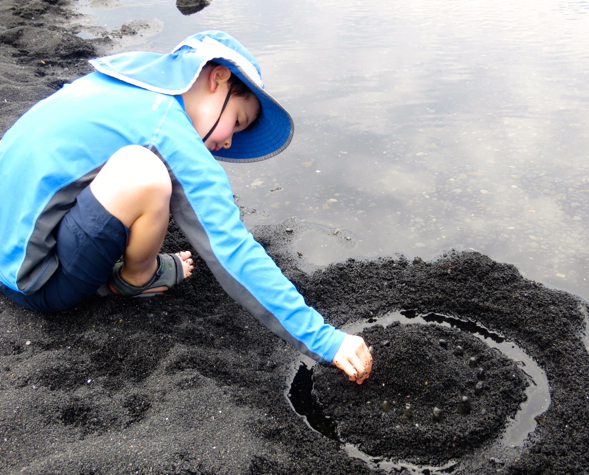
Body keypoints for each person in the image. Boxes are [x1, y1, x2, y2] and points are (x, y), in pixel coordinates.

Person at [0, 30, 372, 384]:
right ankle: (135, 279)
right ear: (218, 77)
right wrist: (326, 340)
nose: (228, 143)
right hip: (35, 283)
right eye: (238, 121)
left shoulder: (120, 84)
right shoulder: (165, 125)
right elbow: (230, 248)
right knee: (145, 171)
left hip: (15, 247)